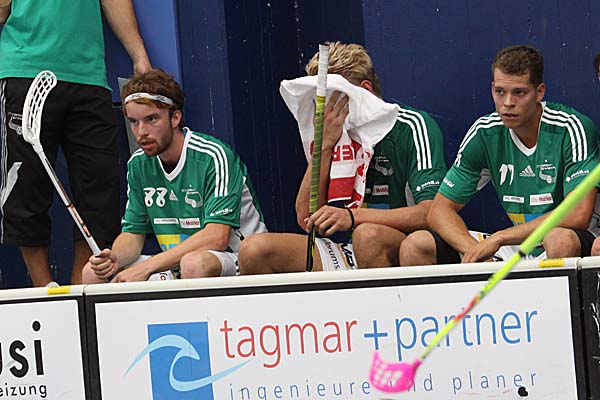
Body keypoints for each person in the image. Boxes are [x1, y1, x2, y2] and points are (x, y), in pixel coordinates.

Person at [238, 42, 446, 274]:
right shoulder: (336, 132)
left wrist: (352, 217)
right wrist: (324, 147)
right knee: (254, 250)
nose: (326, 112)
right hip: (354, 248)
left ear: (365, 91)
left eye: (334, 99)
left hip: (406, 245)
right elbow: (306, 217)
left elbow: (433, 212)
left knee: (368, 235)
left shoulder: (411, 126)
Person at [400, 45, 600, 266]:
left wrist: (500, 238)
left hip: (562, 241)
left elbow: (577, 213)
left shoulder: (570, 127)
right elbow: (439, 211)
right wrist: (474, 251)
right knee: (417, 244)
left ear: (539, 92)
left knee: (558, 239)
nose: (508, 103)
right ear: (492, 89)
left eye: (519, 93)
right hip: (516, 247)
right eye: (500, 92)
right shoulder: (485, 132)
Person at [0, 0, 151, 287]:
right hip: (26, 69)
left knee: (100, 185)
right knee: (26, 184)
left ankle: (82, 286)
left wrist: (139, 55)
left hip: (89, 74)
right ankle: (44, 292)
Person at [82, 69, 267, 283]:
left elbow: (217, 237)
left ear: (175, 118)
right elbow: (133, 233)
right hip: (176, 264)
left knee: (193, 264)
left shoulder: (213, 156)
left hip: (237, 260)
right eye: (133, 122)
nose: (141, 132)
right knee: (92, 272)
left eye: (151, 119)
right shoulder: (138, 164)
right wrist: (114, 258)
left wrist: (146, 268)